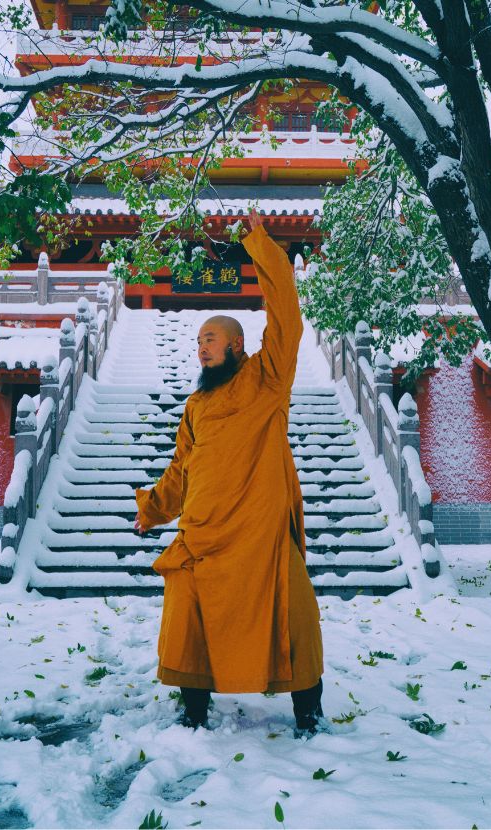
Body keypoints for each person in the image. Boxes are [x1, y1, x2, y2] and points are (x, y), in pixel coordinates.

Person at [133, 210, 325, 737]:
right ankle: (194, 711)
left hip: (259, 531)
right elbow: (182, 469)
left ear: (237, 345)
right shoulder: (195, 405)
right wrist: (153, 507)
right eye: (198, 341)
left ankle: (309, 712)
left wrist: (259, 245)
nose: (202, 347)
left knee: (295, 615)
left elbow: (286, 313)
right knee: (188, 609)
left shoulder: (267, 380)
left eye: (211, 338)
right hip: (204, 529)